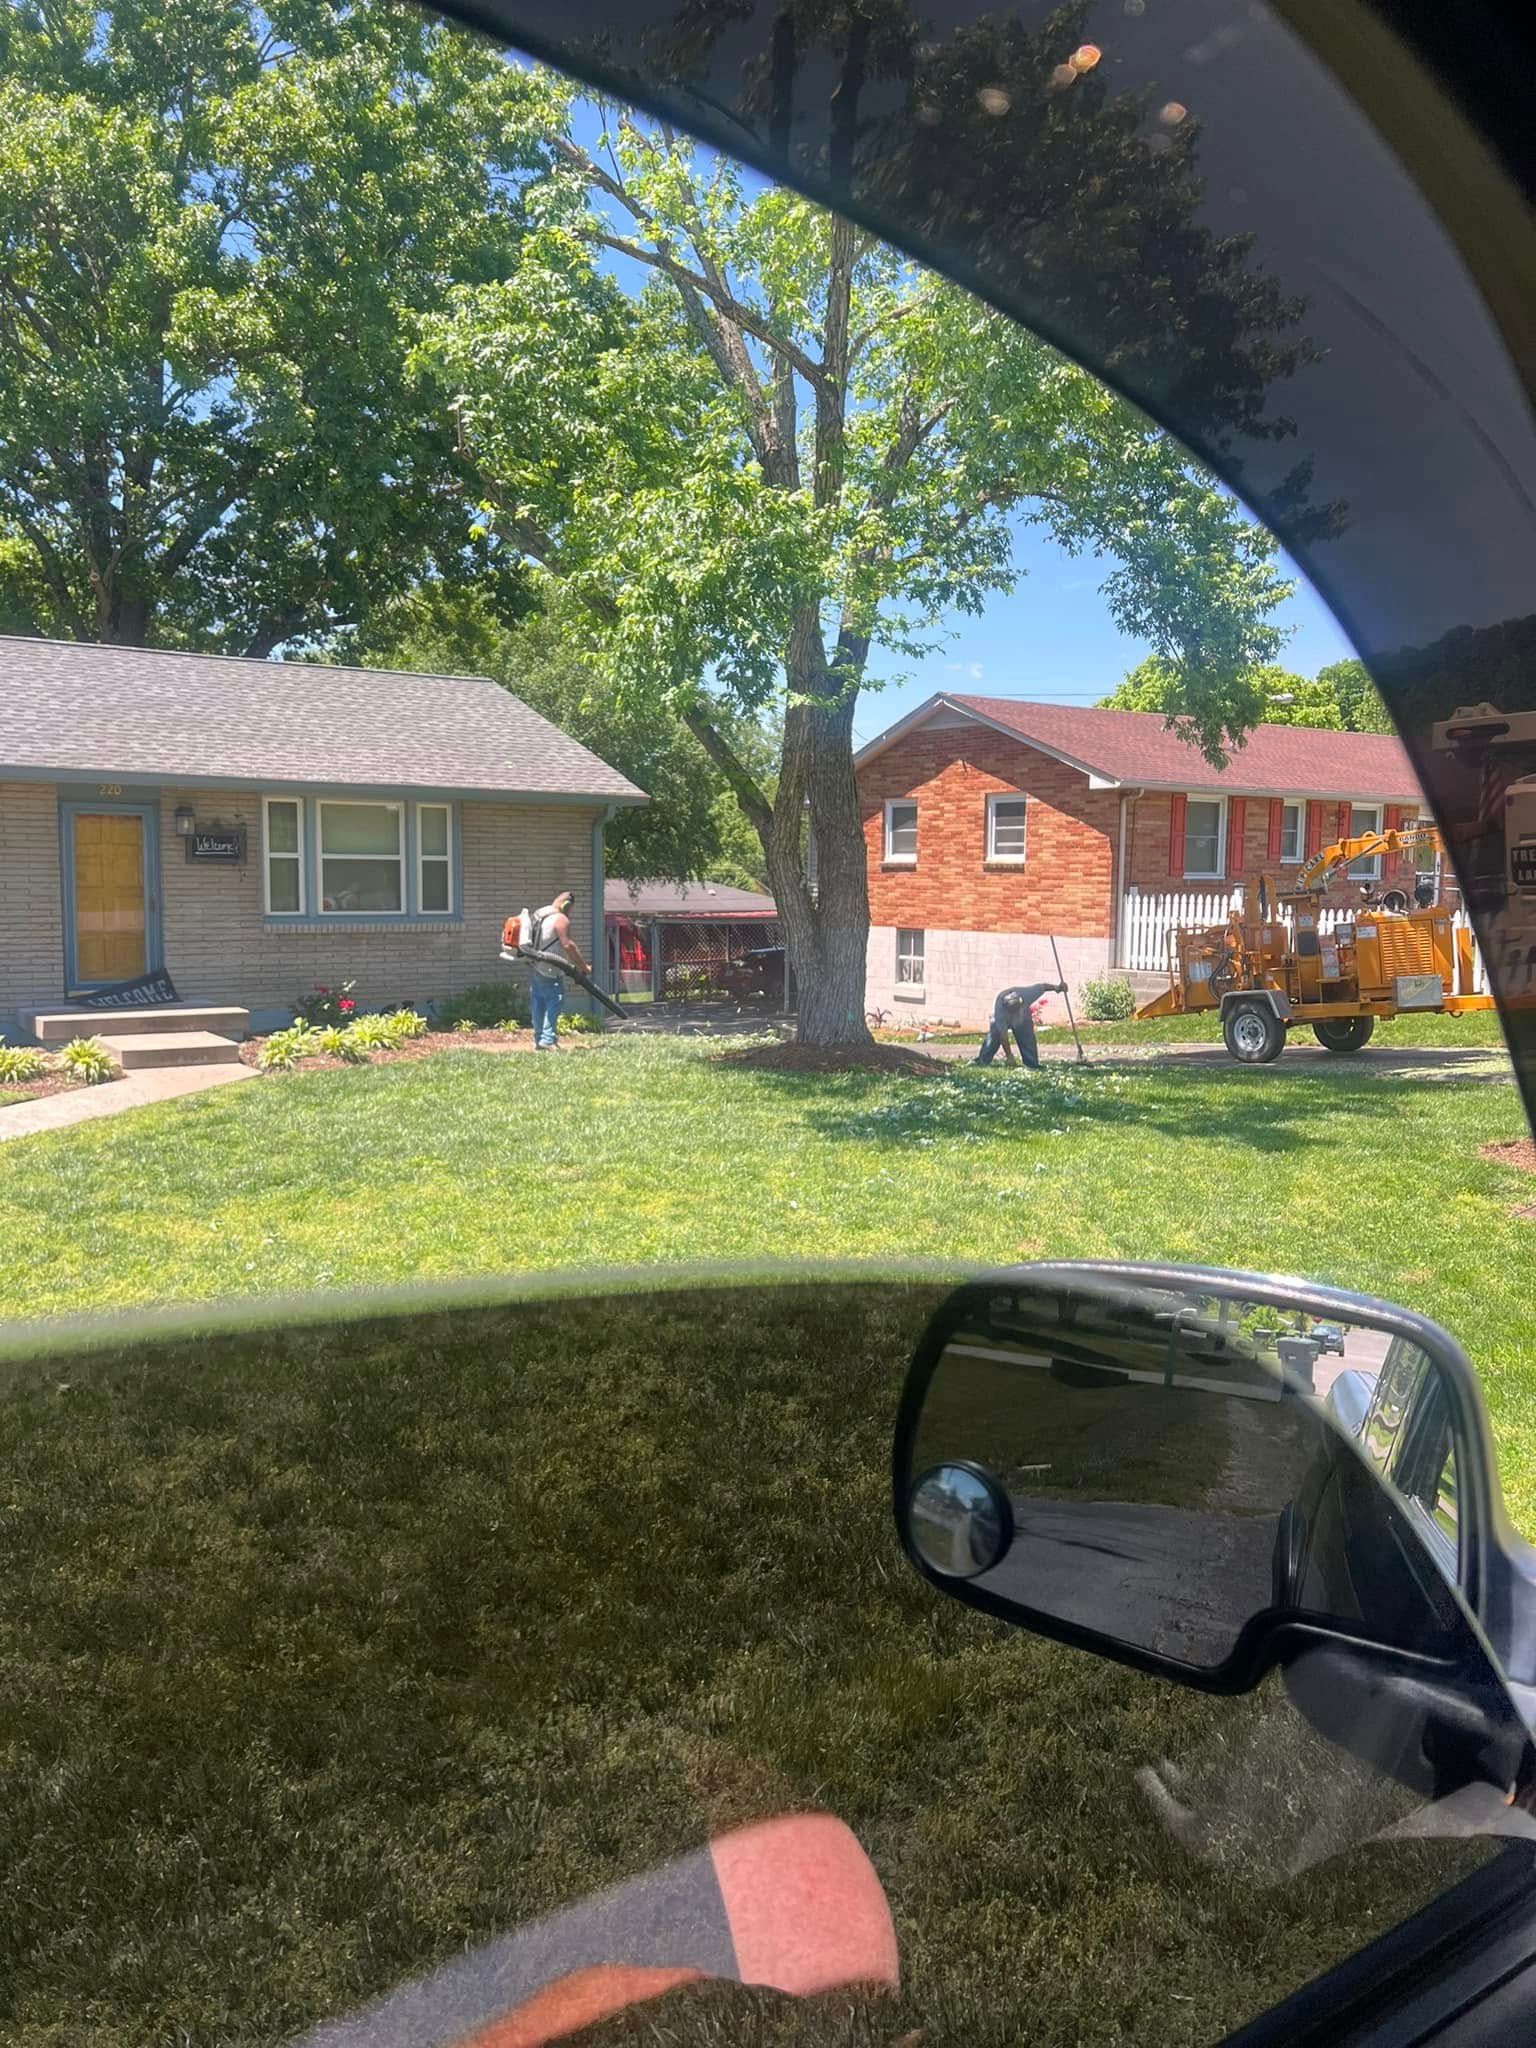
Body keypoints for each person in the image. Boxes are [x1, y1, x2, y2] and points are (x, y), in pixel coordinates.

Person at [529, 890, 590, 1050]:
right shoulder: (560, 919)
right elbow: (568, 945)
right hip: (550, 968)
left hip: (535, 965)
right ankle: (547, 1040)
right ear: (567, 905)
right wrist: (583, 967)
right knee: (555, 999)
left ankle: (538, 1038)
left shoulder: (541, 914)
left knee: (538, 1001)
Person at [973, 981, 1067, 1069]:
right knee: (995, 1034)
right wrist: (1009, 1056)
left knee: (1026, 1036)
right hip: (1002, 1019)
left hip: (1023, 1016)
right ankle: (983, 1060)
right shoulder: (1000, 1012)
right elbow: (1003, 1035)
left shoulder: (1026, 994)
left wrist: (1057, 987)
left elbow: (1042, 987)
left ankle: (1032, 1064)